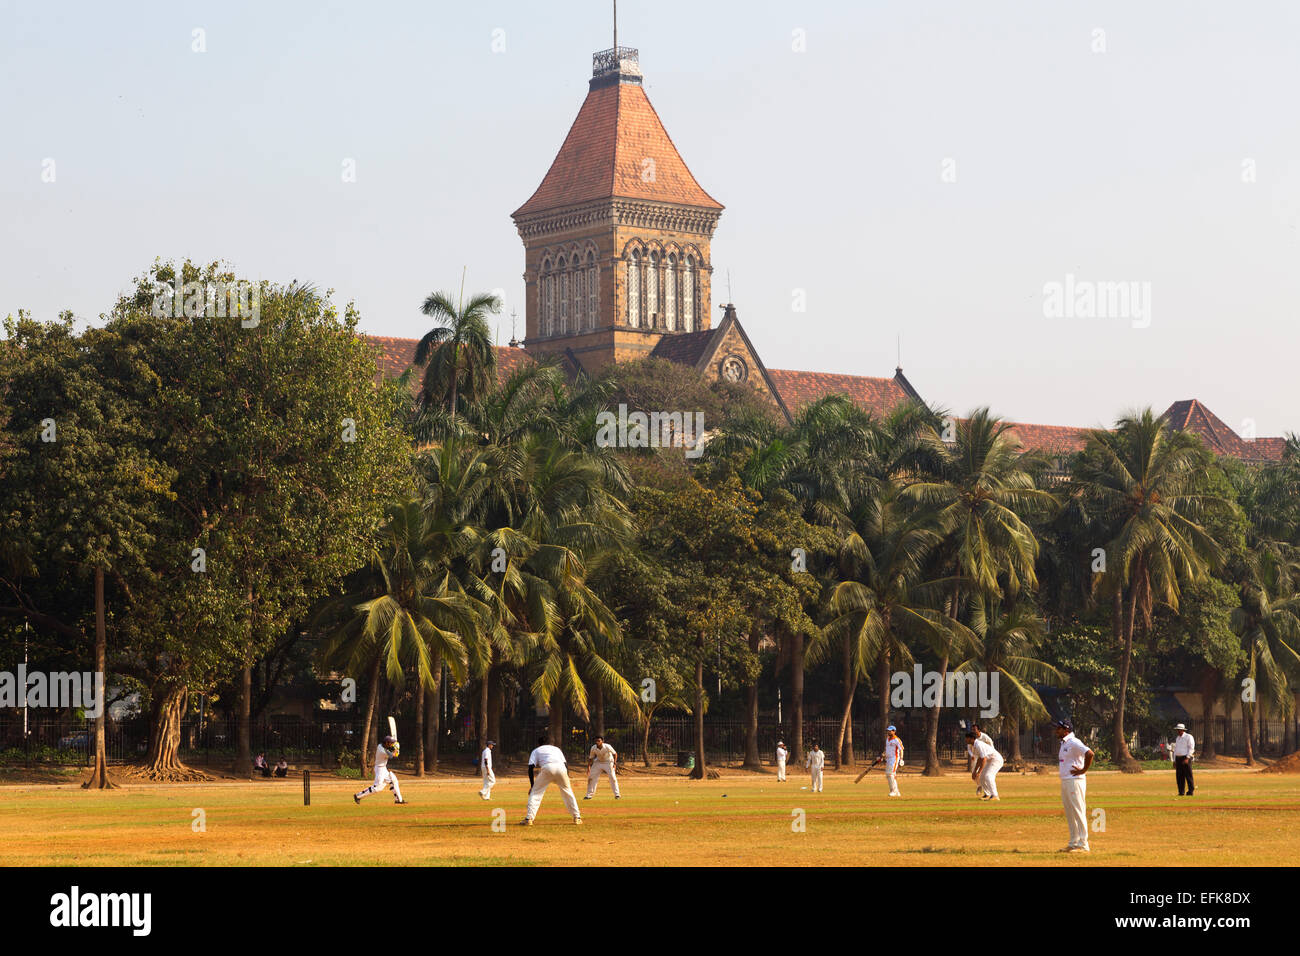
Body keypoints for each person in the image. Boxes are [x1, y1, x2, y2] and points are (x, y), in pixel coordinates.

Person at [522, 734, 582, 826]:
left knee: (536, 793)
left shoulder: (536, 750)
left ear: (539, 744)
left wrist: (532, 785)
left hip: (547, 768)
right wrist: (567, 777)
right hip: (561, 768)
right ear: (549, 743)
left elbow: (531, 767)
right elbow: (565, 764)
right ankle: (577, 817)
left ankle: (529, 819)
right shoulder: (556, 749)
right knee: (568, 792)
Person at [1055, 720, 1093, 852]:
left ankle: (1083, 844)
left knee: (1078, 811)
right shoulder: (1064, 743)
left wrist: (1083, 770)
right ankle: (1074, 842)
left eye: (1059, 728)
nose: (1056, 730)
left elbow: (1090, 753)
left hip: (1075, 781)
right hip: (1066, 780)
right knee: (1070, 813)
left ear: (1066, 730)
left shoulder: (1074, 742)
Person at [354, 734, 406, 805]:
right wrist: (396, 750)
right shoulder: (381, 750)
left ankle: (399, 800)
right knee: (377, 788)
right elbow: (391, 755)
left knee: (394, 780)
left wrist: (394, 748)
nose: (392, 744)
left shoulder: (381, 745)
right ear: (387, 742)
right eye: (391, 743)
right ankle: (358, 796)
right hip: (380, 770)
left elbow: (390, 750)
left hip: (383, 768)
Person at [967, 730, 1003, 800]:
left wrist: (979, 772)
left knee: (988, 776)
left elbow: (983, 759)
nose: (966, 740)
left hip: (996, 760)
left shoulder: (978, 745)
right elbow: (979, 760)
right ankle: (987, 794)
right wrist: (975, 771)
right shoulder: (974, 746)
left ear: (972, 738)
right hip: (990, 760)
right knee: (982, 777)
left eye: (967, 738)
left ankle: (995, 795)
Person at [1172, 723, 1195, 796]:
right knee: (1179, 776)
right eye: (1177, 730)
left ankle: (1190, 791)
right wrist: (1174, 760)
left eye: (1179, 730)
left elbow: (1191, 748)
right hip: (1178, 758)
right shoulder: (1178, 738)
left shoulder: (1188, 737)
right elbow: (1176, 749)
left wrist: (1188, 757)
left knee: (1188, 775)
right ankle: (1181, 791)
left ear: (1182, 730)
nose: (1178, 731)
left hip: (1185, 757)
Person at [882, 725, 904, 796]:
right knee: (889, 775)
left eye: (890, 730)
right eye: (888, 730)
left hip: (894, 759)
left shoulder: (897, 739)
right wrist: (883, 755)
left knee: (890, 774)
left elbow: (901, 750)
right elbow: (886, 750)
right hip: (888, 759)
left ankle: (894, 791)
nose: (888, 732)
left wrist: (901, 759)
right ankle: (896, 791)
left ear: (894, 731)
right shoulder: (887, 739)